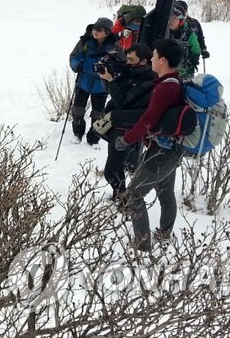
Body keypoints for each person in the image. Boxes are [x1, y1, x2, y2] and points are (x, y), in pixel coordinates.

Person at [115, 38, 187, 251]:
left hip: (163, 151)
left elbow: (149, 119)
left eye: (154, 56)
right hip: (170, 148)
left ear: (162, 60)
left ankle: (142, 244)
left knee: (134, 194)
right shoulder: (173, 82)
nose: (152, 59)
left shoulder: (167, 88)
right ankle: (164, 234)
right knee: (165, 192)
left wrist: (127, 139)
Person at [93, 44, 157, 204]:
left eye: (131, 59)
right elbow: (114, 93)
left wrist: (112, 81)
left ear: (143, 61)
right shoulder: (132, 73)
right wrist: (110, 76)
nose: (127, 63)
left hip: (126, 129)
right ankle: (119, 196)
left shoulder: (147, 81)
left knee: (111, 170)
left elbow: (122, 101)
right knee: (116, 166)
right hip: (120, 125)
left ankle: (124, 200)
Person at [69, 17, 119, 144]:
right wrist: (76, 65)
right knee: (78, 110)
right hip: (83, 81)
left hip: (101, 84)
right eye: (94, 28)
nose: (95, 31)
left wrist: (112, 72)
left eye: (99, 29)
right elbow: (74, 56)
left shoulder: (114, 46)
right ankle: (78, 133)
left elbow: (121, 63)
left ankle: (93, 139)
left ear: (107, 32)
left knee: (97, 114)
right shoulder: (85, 42)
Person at [167, 3, 202, 79]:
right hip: (167, 71)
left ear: (181, 20)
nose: (171, 21)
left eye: (174, 18)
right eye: (169, 18)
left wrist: (194, 59)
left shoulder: (188, 33)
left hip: (184, 73)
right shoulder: (164, 31)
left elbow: (196, 49)